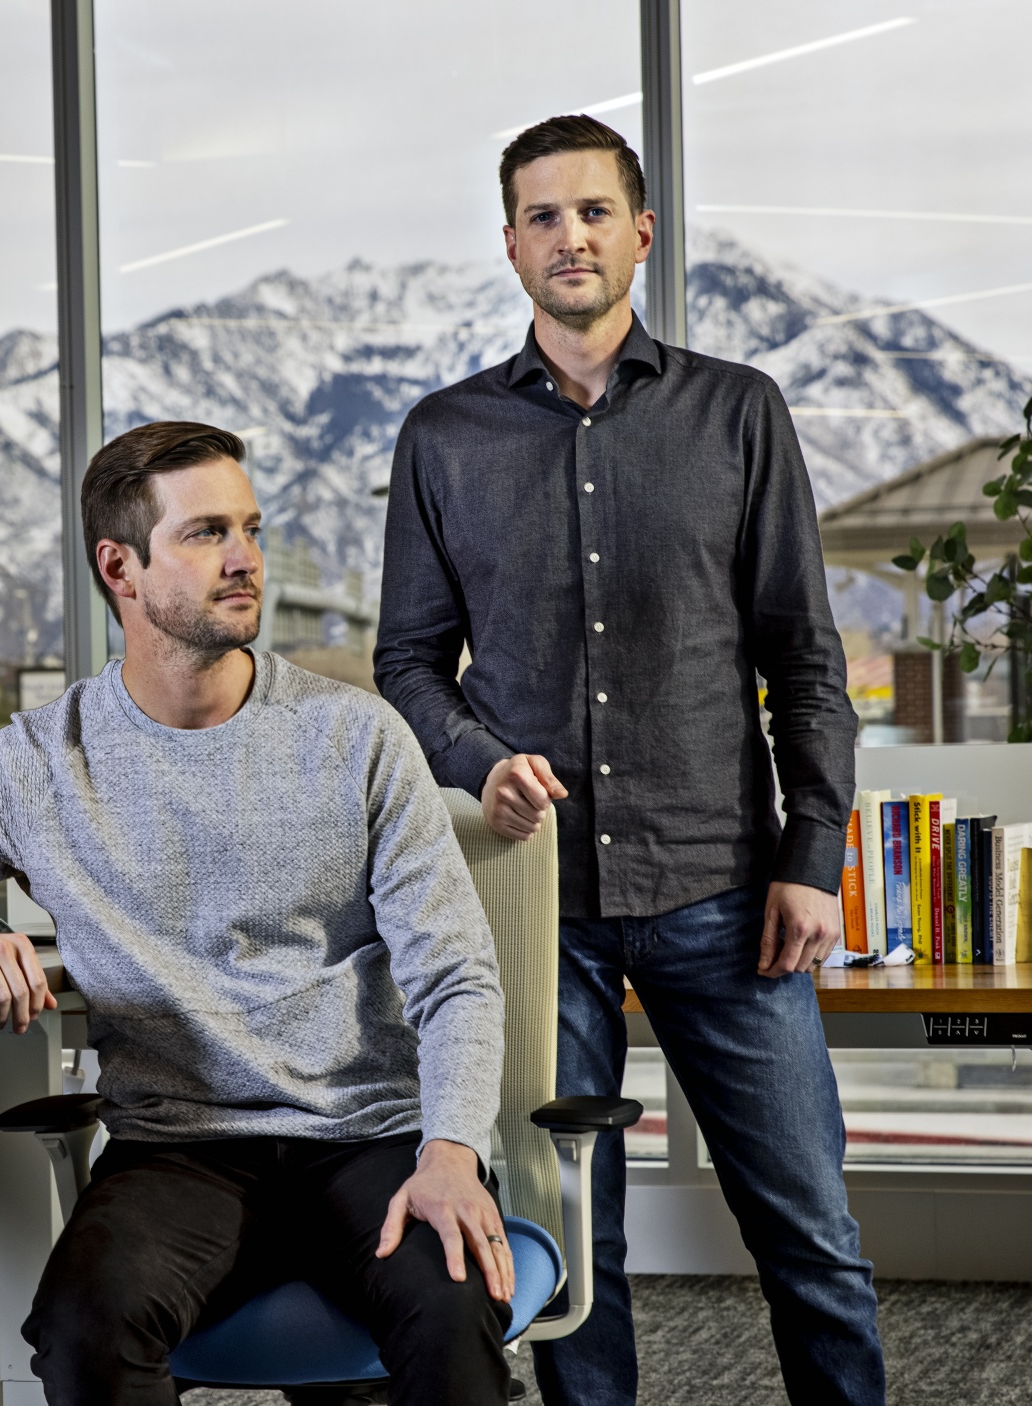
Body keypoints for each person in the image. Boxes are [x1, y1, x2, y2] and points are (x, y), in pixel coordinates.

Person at [0, 421, 516, 1406]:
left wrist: (453, 1151)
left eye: (249, 528)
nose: (244, 557)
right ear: (119, 567)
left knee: (452, 1306)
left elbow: (456, 977)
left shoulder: (355, 737)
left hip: (369, 1133)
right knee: (84, 1327)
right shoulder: (39, 763)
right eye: (206, 532)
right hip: (179, 1150)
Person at [373, 115, 885, 1406]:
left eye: (593, 211)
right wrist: (478, 758)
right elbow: (408, 665)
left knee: (810, 1230)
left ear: (641, 233)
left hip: (726, 890)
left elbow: (802, 657)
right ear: (509, 245)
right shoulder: (442, 435)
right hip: (535, 902)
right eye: (542, 216)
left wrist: (812, 854)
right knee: (564, 1241)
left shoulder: (737, 412)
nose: (570, 237)